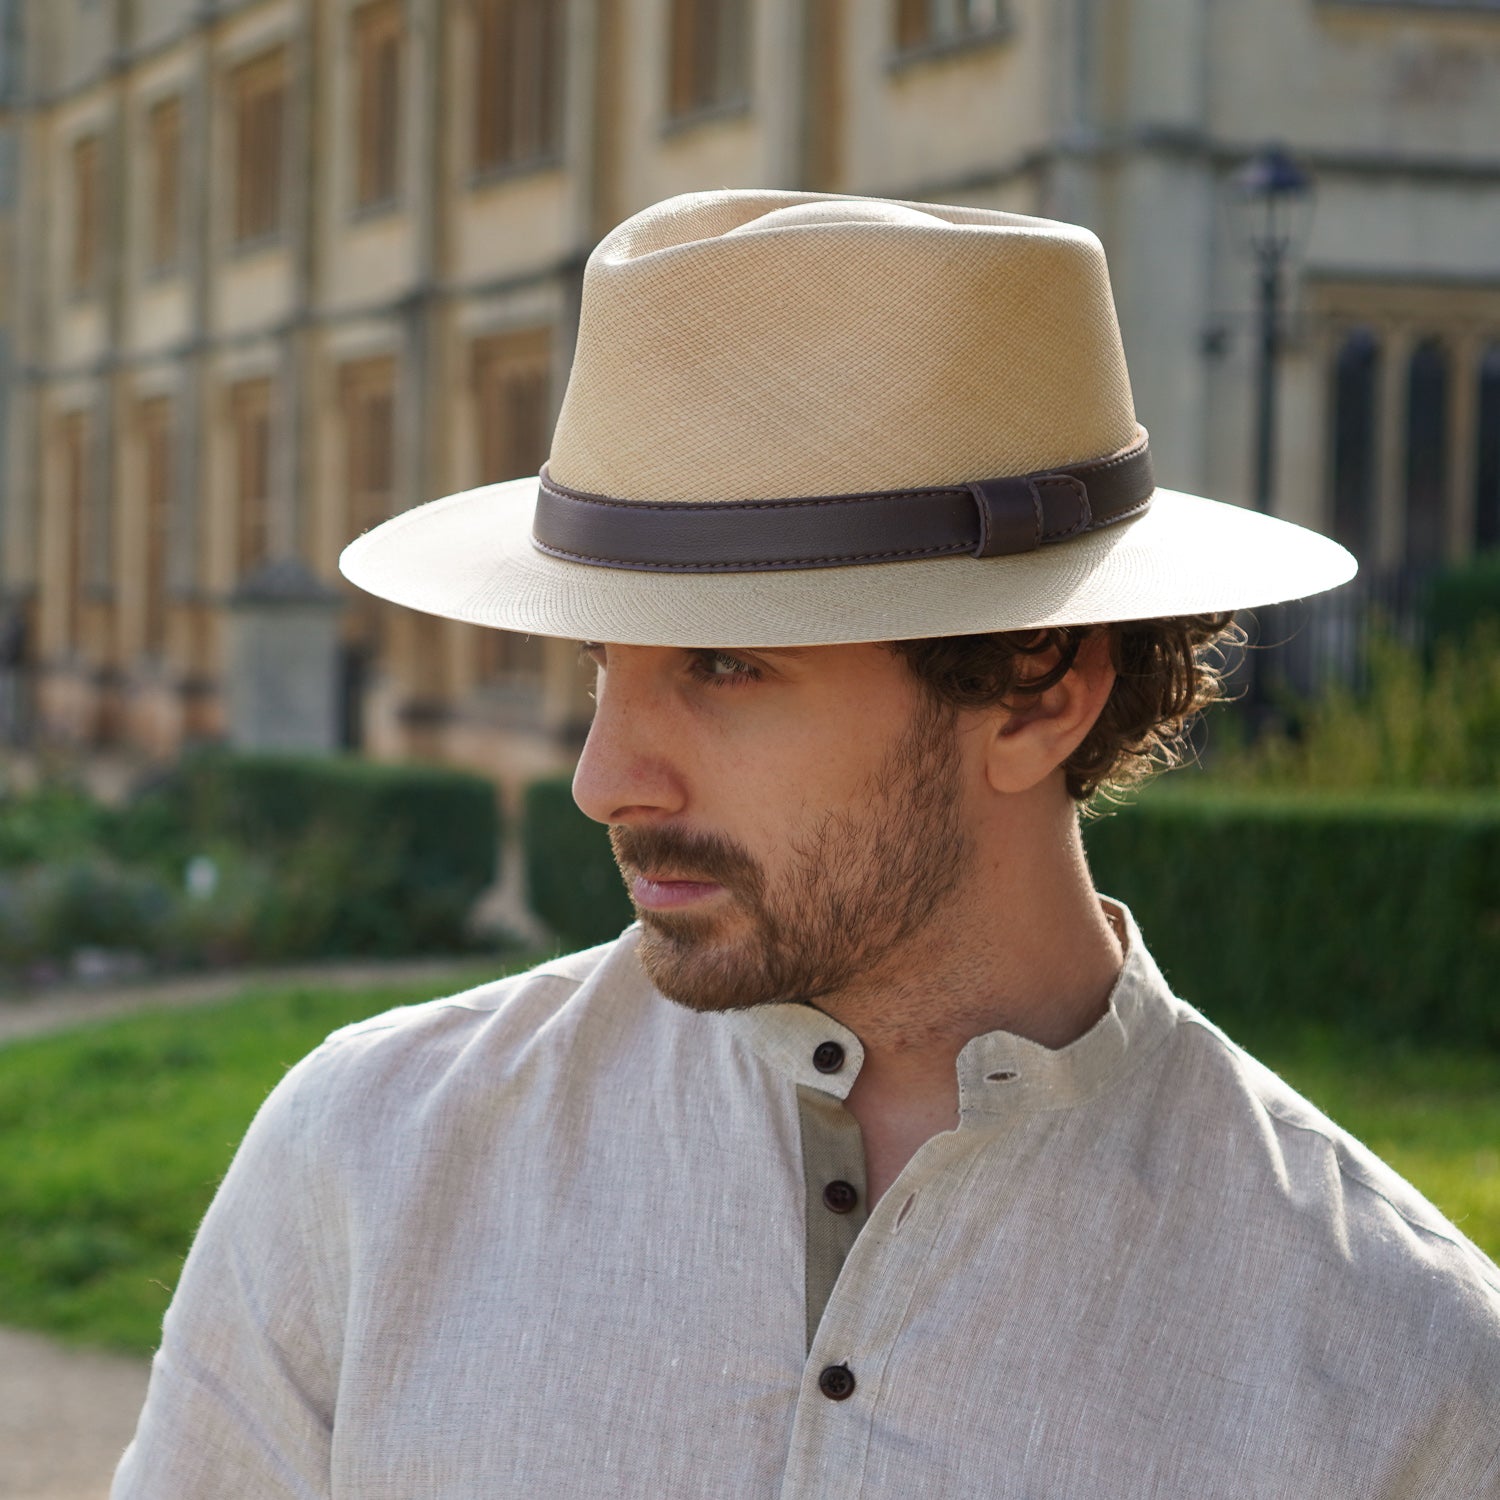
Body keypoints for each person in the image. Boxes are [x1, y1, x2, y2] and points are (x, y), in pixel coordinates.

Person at [114, 191, 1500, 1497]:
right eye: (604, 664)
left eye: (724, 665)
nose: (602, 780)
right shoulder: (367, 1160)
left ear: (1039, 691)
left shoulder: (1399, 1374)